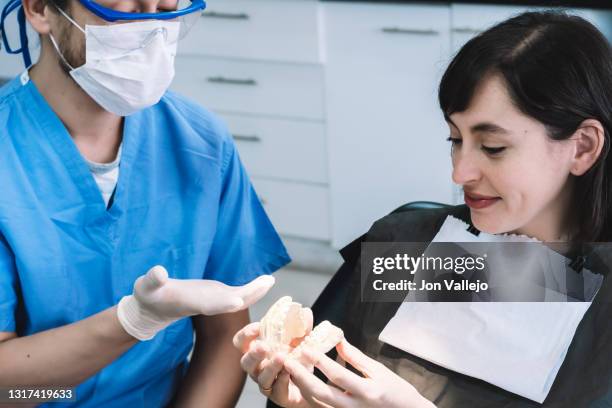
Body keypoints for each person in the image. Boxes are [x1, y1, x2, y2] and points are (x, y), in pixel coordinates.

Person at [234, 10, 612, 407]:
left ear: (582, 146)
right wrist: (302, 400)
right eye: (454, 139)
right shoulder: (407, 245)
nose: (459, 172)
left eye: (493, 147)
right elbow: (323, 382)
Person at [0, 0, 291, 406]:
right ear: (39, 10)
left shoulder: (199, 141)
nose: (150, 28)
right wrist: (132, 321)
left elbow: (225, 337)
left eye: (165, 8)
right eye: (126, 10)